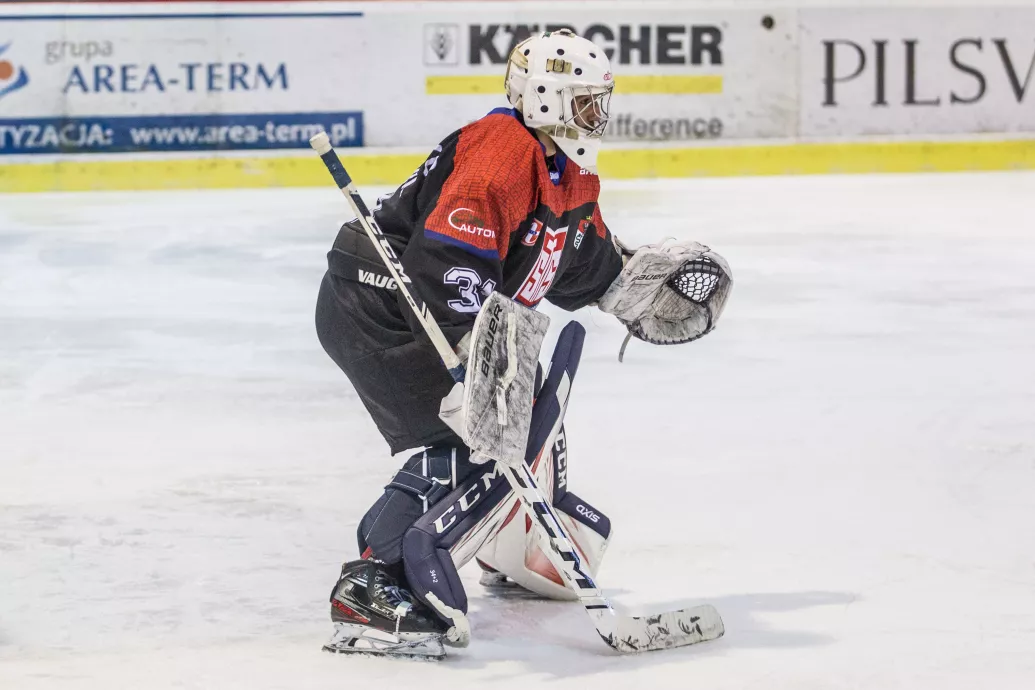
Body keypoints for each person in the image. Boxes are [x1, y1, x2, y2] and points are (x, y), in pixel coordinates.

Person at [314, 29, 731, 658]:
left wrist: (628, 283)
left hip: (435, 307)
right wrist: (469, 363)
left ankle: (514, 545)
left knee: (525, 411)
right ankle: (373, 582)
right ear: (545, 97)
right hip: (383, 308)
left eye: (599, 102)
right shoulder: (502, 151)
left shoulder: (569, 173)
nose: (597, 116)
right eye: (585, 102)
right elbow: (449, 263)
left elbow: (576, 259)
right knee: (475, 434)